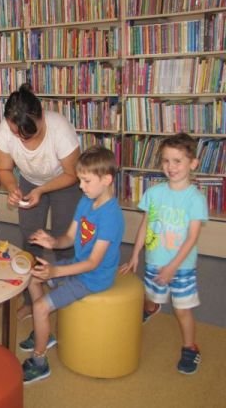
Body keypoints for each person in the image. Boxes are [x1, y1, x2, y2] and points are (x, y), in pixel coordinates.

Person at [20, 145, 124, 384]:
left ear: (106, 180)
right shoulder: (87, 201)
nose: (80, 186)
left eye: (86, 181)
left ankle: (39, 362)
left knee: (41, 307)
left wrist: (55, 271)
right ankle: (44, 332)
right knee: (33, 277)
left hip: (94, 278)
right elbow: (68, 237)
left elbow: (93, 263)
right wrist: (52, 241)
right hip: (78, 265)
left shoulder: (111, 216)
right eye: (80, 180)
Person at [120, 133, 207, 375]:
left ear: (193, 163)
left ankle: (190, 347)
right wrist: (135, 254)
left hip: (181, 267)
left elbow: (192, 238)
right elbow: (146, 225)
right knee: (151, 295)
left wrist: (172, 267)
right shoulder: (154, 193)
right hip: (154, 261)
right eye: (166, 161)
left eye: (178, 161)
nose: (171, 167)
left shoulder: (195, 199)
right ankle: (150, 308)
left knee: (182, 310)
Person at [0, 84, 81, 319]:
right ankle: (32, 301)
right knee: (30, 238)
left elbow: (72, 174)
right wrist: (12, 188)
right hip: (30, 180)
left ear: (41, 115)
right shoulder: (4, 131)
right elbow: (4, 168)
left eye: (29, 134)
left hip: (65, 182)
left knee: (64, 239)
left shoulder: (60, 129)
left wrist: (42, 190)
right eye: (16, 134)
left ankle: (67, 296)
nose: (22, 139)